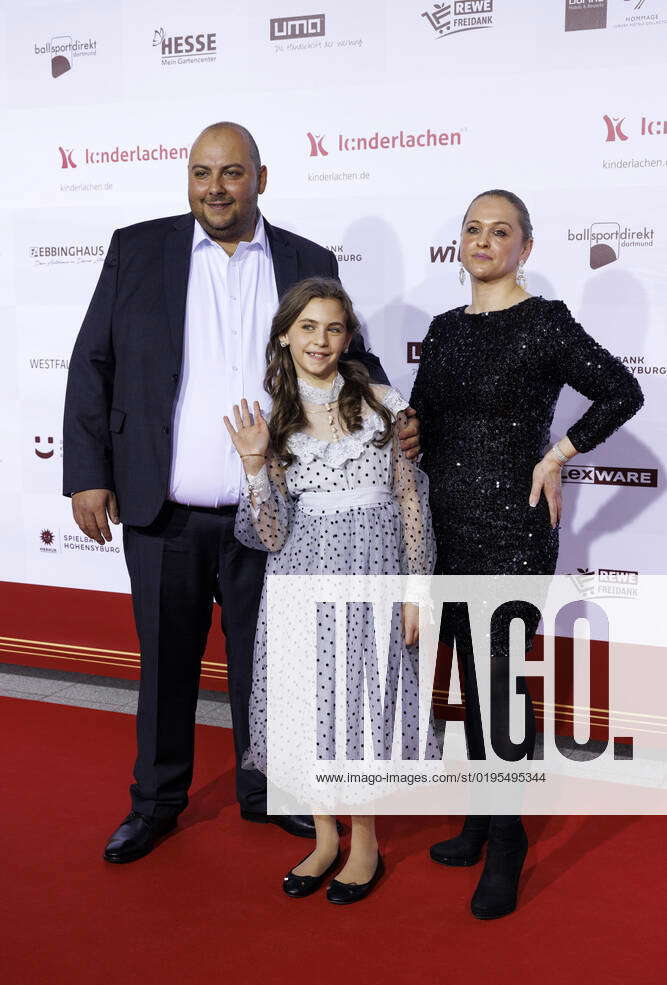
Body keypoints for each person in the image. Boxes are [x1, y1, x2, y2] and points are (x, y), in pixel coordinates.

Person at [63, 121, 420, 864]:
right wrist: (88, 473)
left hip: (276, 512)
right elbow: (91, 362)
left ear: (261, 177)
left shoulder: (305, 259)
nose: (214, 188)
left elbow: (348, 351)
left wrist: (398, 417)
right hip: (165, 508)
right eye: (201, 173)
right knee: (165, 666)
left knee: (276, 664)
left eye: (231, 173)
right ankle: (156, 804)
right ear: (188, 178)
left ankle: (271, 792)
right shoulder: (138, 248)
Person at [410, 188, 644, 919]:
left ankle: (506, 839)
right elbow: (425, 427)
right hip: (447, 529)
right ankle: (481, 818)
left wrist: (559, 454)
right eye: (472, 229)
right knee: (472, 687)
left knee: (499, 687)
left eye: (499, 230)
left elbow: (620, 391)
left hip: (511, 534)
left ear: (525, 248)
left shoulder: (543, 322)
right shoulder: (444, 331)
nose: (483, 240)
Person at [224, 277, 437, 903]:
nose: (321, 340)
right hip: (300, 574)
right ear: (285, 334)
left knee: (362, 707)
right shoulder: (270, 418)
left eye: (334, 328)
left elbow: (409, 500)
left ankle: (364, 842)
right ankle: (323, 839)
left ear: (348, 337)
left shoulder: (380, 404)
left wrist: (417, 589)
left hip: (373, 572)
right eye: (308, 327)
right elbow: (267, 533)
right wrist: (255, 466)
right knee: (309, 710)